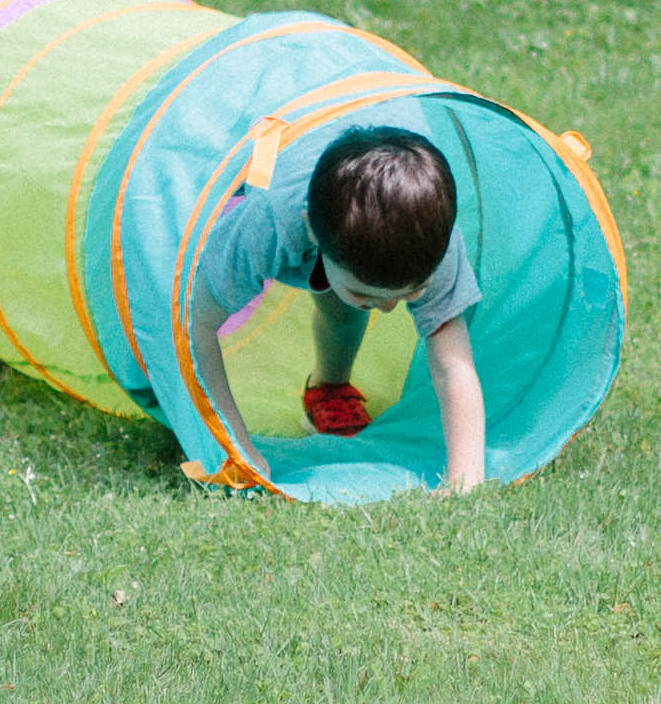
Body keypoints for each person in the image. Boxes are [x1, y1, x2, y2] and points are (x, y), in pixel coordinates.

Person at [201, 123, 487, 490]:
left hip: (368, 175)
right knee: (342, 304)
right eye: (366, 295)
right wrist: (237, 449)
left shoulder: (434, 241)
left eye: (411, 293)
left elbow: (453, 364)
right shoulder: (267, 221)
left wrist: (466, 478)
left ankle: (329, 388)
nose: (385, 310)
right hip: (268, 138)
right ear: (312, 235)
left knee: (343, 308)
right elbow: (195, 324)